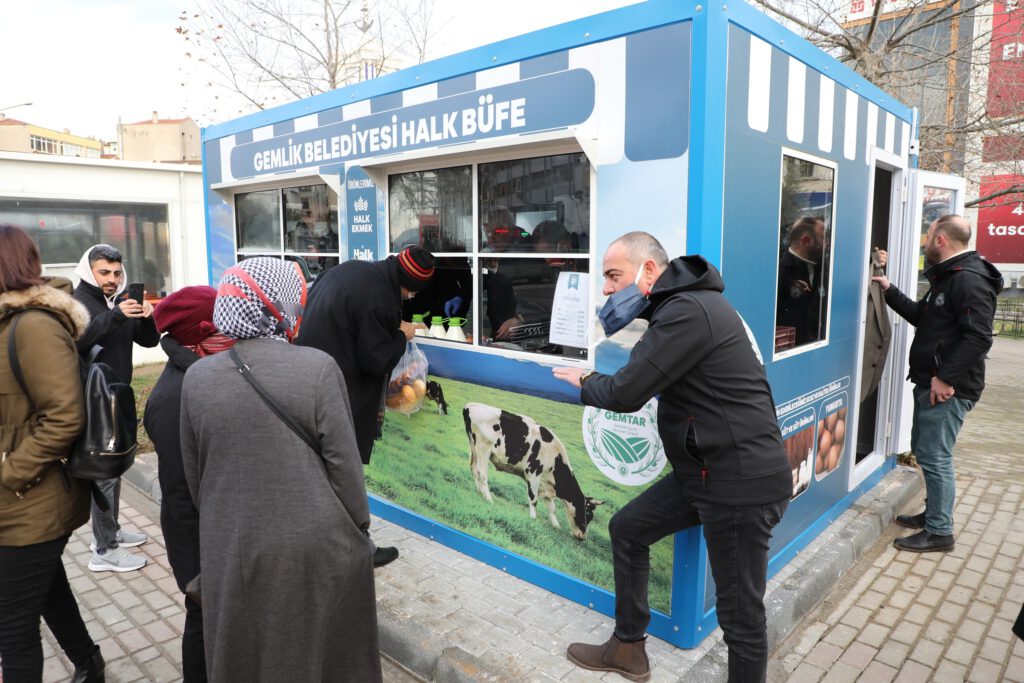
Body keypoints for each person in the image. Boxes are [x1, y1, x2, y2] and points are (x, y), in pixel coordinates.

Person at [553, 231, 791, 682]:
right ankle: (627, 650)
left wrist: (585, 382)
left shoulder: (687, 312)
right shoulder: (683, 307)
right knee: (628, 529)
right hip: (702, 475)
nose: (605, 288)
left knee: (741, 619)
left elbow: (626, 391)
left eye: (612, 275)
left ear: (648, 271)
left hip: (739, 483)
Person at [180, 257, 382, 683]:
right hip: (310, 543)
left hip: (230, 541)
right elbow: (345, 467)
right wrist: (359, 529)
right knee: (317, 650)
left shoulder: (196, 378)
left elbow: (196, 475)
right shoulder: (316, 368)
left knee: (245, 649)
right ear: (281, 307)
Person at [0, 224, 105, 683]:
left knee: (13, 630)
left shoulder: (33, 325)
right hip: (20, 500)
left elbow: (65, 417)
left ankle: (89, 663)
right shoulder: (9, 321)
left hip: (31, 498)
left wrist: (8, 474)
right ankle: (90, 663)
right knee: (47, 592)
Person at [296, 246, 433, 568]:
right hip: (339, 389)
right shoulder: (383, 300)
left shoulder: (357, 270)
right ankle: (359, 550)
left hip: (309, 375)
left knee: (320, 469)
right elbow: (375, 361)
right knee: (345, 471)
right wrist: (401, 334)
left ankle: (319, 543)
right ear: (411, 286)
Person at [872, 214, 1001, 553]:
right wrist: (887, 288)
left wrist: (945, 378)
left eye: (928, 235)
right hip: (935, 383)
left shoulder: (967, 281)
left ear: (941, 240)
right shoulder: (949, 277)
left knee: (934, 455)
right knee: (927, 450)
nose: (925, 242)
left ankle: (940, 531)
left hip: (948, 388)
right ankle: (933, 515)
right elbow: (925, 318)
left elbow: (978, 338)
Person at [144, 286, 235, 683]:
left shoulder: (202, 373)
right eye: (223, 329)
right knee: (203, 621)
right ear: (199, 337)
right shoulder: (174, 398)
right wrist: (195, 574)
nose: (233, 338)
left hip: (221, 533)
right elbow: (180, 495)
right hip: (199, 543)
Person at [73, 244, 160, 573]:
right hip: (93, 400)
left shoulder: (120, 301)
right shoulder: (77, 302)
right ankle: (104, 549)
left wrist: (148, 318)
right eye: (104, 272)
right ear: (89, 271)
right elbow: (79, 340)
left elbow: (148, 342)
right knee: (103, 473)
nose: (112, 279)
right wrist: (116, 315)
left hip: (117, 396)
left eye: (117, 272)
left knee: (118, 465)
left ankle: (113, 531)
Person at [777, 217, 827, 345]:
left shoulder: (823, 268)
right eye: (823, 238)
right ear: (806, 241)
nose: (827, 243)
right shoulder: (780, 273)